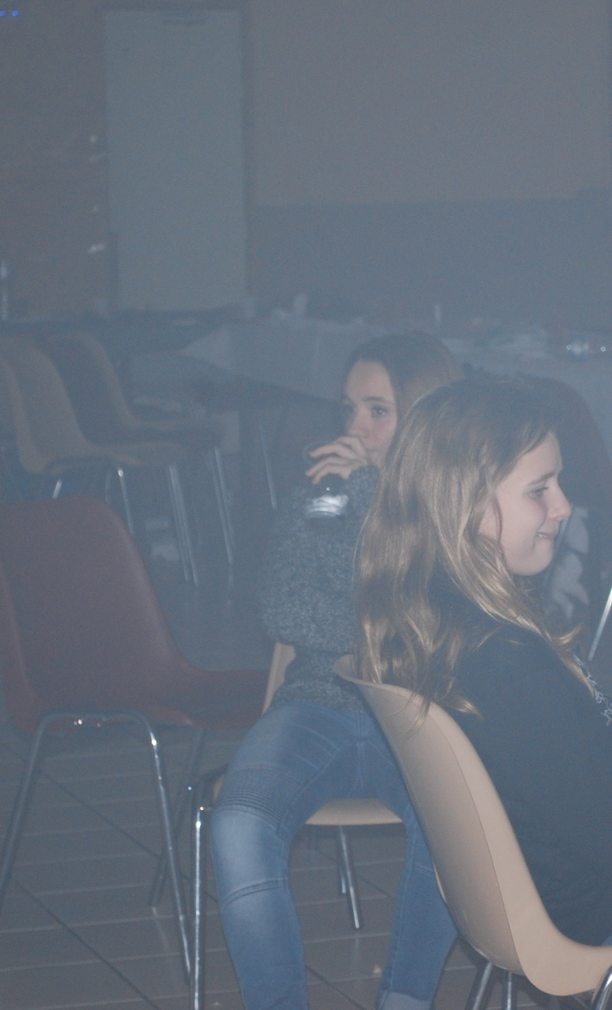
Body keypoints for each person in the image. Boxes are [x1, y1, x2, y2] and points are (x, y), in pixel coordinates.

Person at [355, 375, 612, 948]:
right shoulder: (503, 660)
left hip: (544, 893)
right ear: (465, 503)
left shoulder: (432, 619)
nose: (564, 506)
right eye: (539, 489)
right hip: (609, 902)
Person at [212, 332, 461, 1010]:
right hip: (315, 704)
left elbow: (420, 621)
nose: (354, 429)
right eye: (348, 408)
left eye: (378, 411)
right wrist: (346, 498)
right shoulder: (324, 491)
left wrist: (369, 493)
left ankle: (404, 1000)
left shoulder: (461, 504)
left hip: (417, 713)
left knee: (456, 826)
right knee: (238, 824)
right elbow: (283, 609)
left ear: (425, 415)